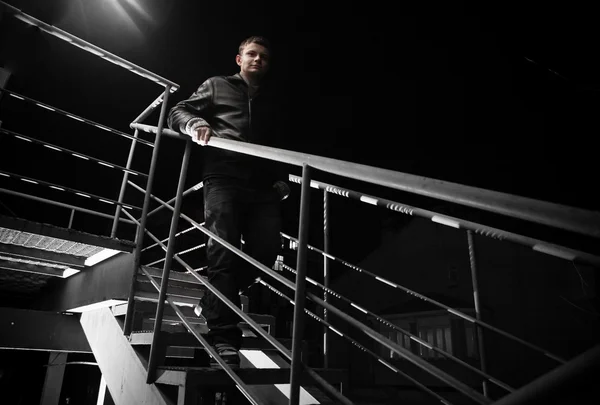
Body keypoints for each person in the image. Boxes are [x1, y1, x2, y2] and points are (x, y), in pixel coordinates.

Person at [167, 36, 289, 368]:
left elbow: (277, 142)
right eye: (252, 54)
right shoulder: (217, 86)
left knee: (267, 251)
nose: (258, 60)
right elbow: (178, 110)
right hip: (224, 176)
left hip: (263, 184)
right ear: (239, 59)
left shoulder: (271, 101)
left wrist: (281, 176)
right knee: (223, 248)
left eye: (264, 56)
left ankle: (212, 298)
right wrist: (195, 122)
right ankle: (224, 337)